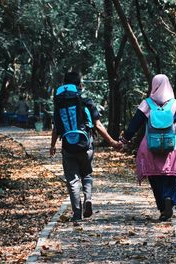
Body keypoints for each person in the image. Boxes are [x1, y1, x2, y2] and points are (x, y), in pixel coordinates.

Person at [50, 72, 122, 222]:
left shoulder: (59, 105)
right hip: (85, 146)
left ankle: (77, 214)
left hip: (68, 146)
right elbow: (98, 125)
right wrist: (113, 142)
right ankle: (87, 199)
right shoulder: (86, 102)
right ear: (79, 85)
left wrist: (52, 146)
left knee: (72, 180)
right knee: (87, 174)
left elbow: (56, 128)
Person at [119, 74, 176, 221]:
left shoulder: (146, 104)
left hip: (150, 146)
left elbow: (134, 125)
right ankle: (169, 199)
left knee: (154, 177)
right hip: (171, 147)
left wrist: (124, 140)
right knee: (171, 176)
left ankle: (162, 206)